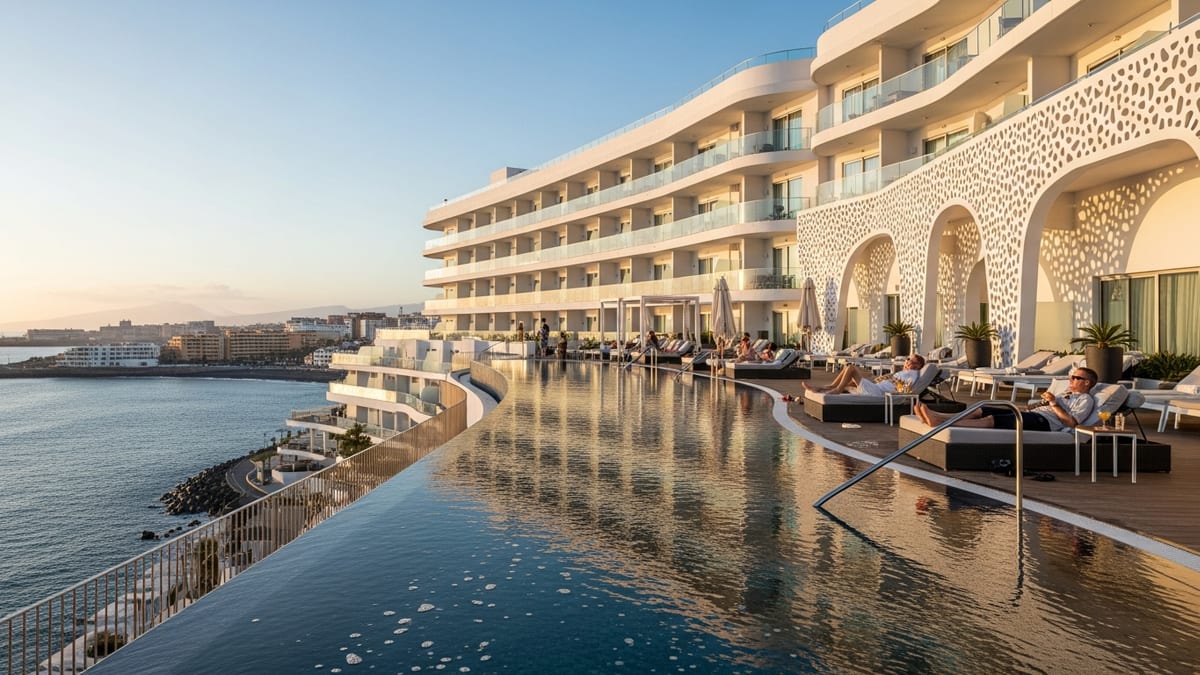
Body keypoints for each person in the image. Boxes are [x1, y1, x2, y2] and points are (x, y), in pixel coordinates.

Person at [914, 367, 1098, 431]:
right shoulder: (1066, 392)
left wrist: (1053, 403)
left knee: (991, 420)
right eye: (1071, 377)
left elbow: (1071, 423)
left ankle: (942, 423)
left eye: (1076, 378)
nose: (1071, 380)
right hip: (1033, 414)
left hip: (1044, 422)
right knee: (981, 408)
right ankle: (940, 417)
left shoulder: (1085, 400)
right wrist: (1028, 407)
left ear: (1087, 383)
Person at [804, 354, 926, 394]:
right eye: (907, 359)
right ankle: (824, 388)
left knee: (851, 368)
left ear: (917, 365)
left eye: (910, 360)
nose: (907, 361)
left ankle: (836, 390)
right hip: (877, 388)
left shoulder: (913, 374)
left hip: (878, 393)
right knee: (848, 372)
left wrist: (896, 391)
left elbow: (906, 389)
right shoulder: (906, 372)